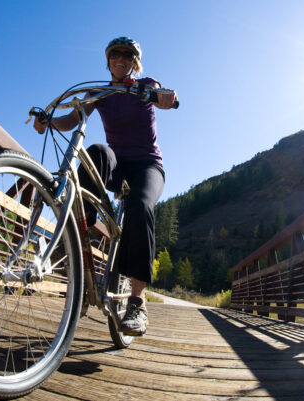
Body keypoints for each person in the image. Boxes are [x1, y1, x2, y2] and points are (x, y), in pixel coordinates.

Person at [33, 36, 177, 336]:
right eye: (115, 55)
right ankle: (77, 234)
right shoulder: (100, 91)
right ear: (108, 60)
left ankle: (138, 303)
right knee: (96, 152)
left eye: (127, 55)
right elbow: (73, 119)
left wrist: (165, 98)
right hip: (117, 166)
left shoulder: (143, 85)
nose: (121, 59)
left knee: (140, 205)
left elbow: (163, 97)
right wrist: (49, 121)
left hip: (148, 166)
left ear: (134, 63)